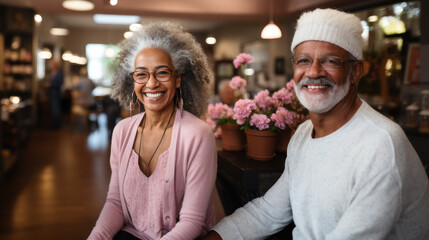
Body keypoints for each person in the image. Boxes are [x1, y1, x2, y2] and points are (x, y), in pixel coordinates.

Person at [203, 8, 429, 240]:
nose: (313, 71)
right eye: (304, 60)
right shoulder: (303, 133)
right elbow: (267, 212)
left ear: (355, 71)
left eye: (330, 61)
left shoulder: (381, 145)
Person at [88, 22, 217, 240]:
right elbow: (116, 202)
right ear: (132, 81)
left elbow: (192, 222)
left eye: (162, 73)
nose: (152, 83)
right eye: (141, 74)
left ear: (177, 79)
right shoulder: (122, 131)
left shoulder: (198, 135)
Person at [46, 59, 64, 129]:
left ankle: (57, 124)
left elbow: (60, 83)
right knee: (53, 109)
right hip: (51, 93)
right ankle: (55, 123)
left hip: (56, 93)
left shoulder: (59, 72)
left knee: (56, 109)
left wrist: (51, 85)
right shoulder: (52, 72)